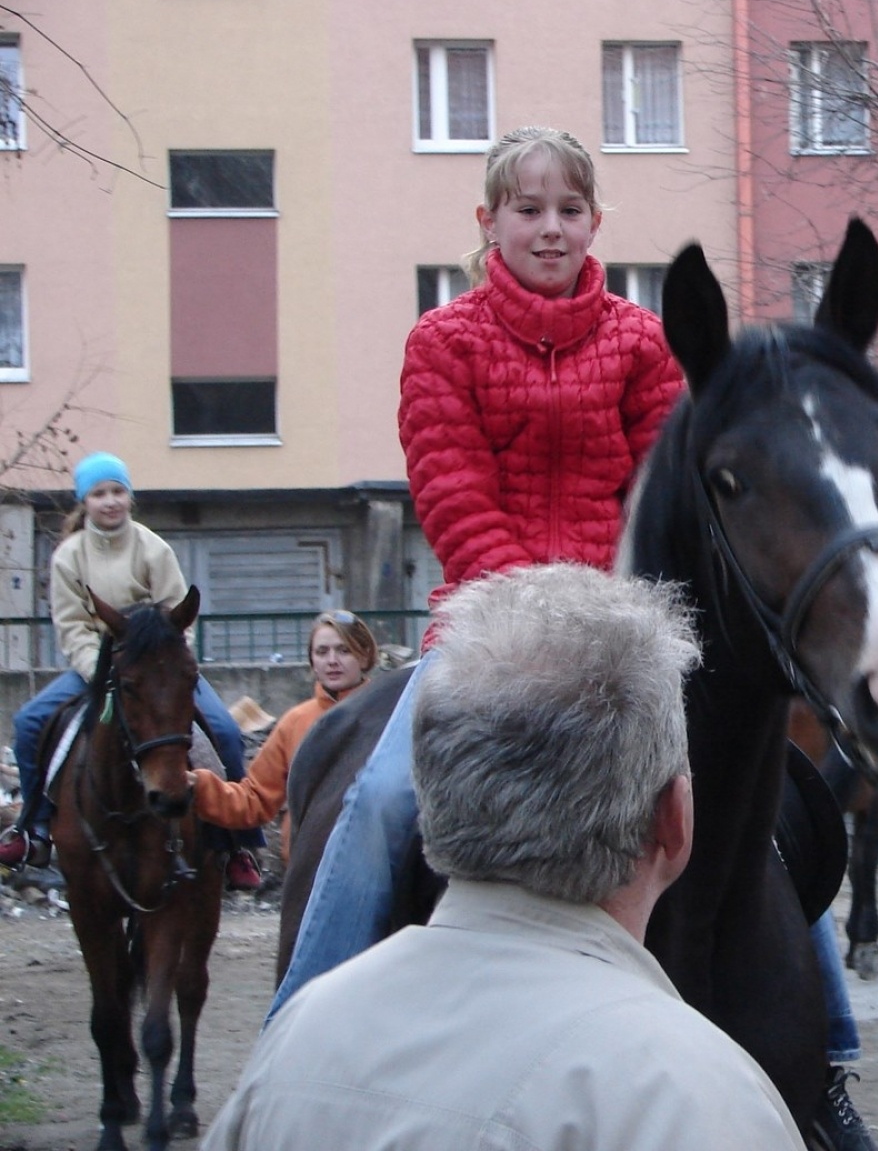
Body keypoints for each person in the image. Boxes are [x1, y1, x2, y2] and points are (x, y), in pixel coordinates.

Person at [268, 125, 684, 1019]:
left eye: (569, 211)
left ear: (595, 222)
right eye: (528, 209)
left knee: (744, 792)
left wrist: (615, 615)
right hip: (488, 624)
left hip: (622, 627)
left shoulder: (643, 343)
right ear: (489, 220)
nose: (550, 229)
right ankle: (295, 1021)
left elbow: (662, 498)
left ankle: (825, 1054)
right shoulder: (442, 341)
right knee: (379, 802)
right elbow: (454, 497)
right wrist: (536, 624)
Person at [203, 564, 807, 1151]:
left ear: (439, 798)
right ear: (675, 823)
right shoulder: (701, 1094)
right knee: (374, 800)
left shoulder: (289, 1050)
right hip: (497, 569)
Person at [0, 452, 263, 888]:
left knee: (226, 731)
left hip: (160, 669)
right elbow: (72, 626)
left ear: (129, 496)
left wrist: (171, 668)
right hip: (100, 667)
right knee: (29, 722)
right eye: (100, 493)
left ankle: (237, 842)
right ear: (84, 501)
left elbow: (180, 617)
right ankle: (35, 828)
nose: (110, 501)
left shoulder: (151, 547)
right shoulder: (68, 556)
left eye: (117, 491)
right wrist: (98, 673)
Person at [189, 610, 380, 869]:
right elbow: (254, 799)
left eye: (344, 650)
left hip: (380, 868)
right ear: (312, 661)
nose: (332, 660)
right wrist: (198, 786)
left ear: (365, 655)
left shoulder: (391, 714)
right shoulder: (295, 722)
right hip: (309, 875)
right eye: (322, 652)